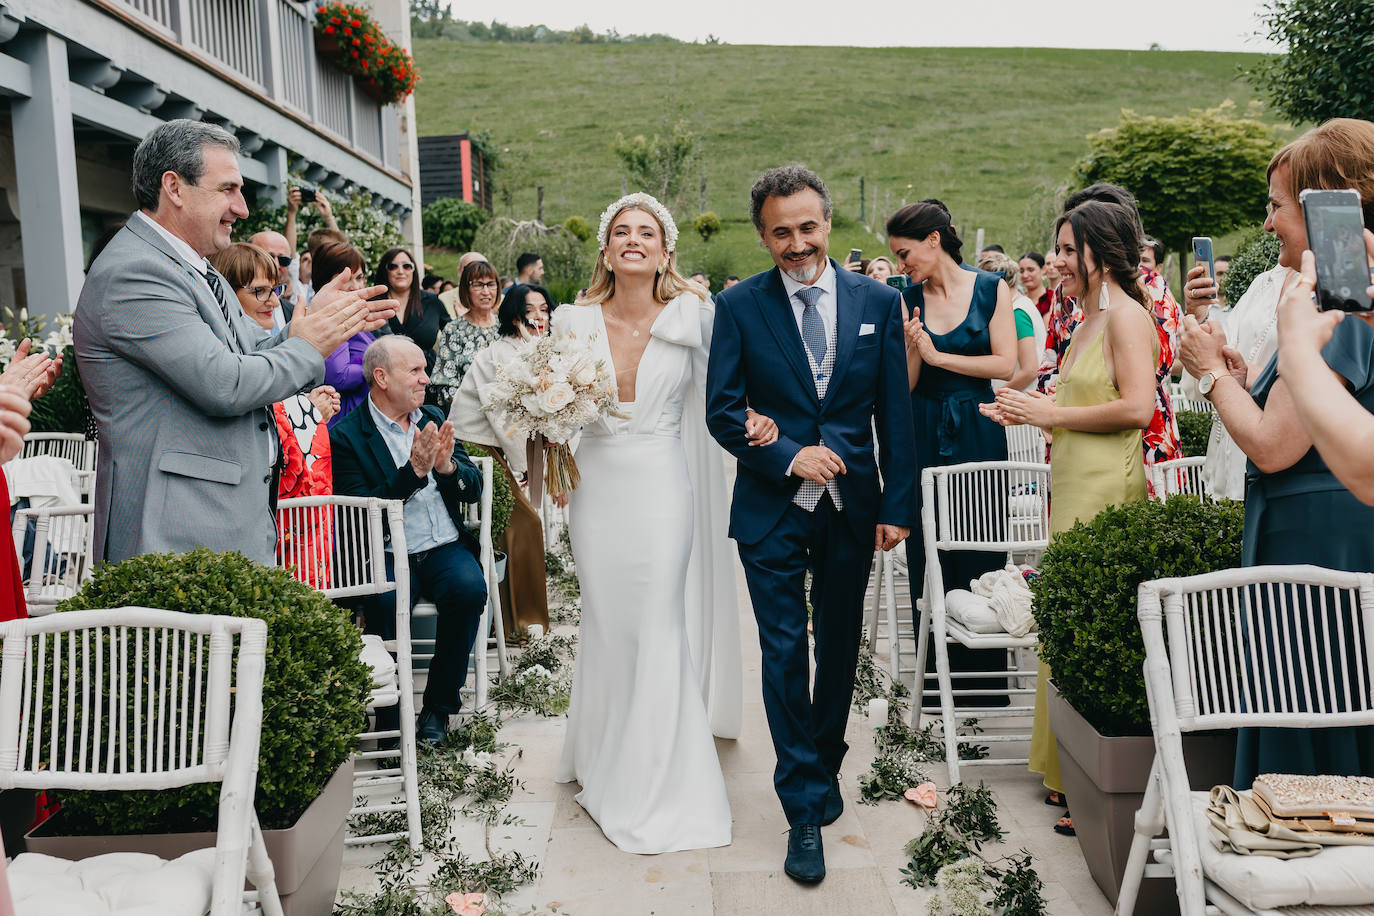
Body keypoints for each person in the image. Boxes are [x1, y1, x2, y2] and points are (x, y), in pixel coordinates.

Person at [707, 167, 915, 884]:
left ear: (827, 224)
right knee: (784, 652)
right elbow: (722, 410)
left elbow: (895, 412)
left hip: (853, 508)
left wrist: (897, 505)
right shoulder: (737, 307)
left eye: (807, 227)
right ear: (763, 235)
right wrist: (789, 454)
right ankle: (801, 805)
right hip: (769, 513)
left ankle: (823, 763)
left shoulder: (879, 302)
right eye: (780, 231)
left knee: (840, 646)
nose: (796, 243)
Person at [553, 192, 771, 856]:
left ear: (664, 248)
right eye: (621, 230)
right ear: (606, 247)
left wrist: (760, 421)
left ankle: (658, 781)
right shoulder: (572, 319)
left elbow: (731, 390)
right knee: (610, 622)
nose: (633, 240)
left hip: (661, 486)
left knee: (655, 622)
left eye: (646, 231)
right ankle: (604, 751)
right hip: (596, 489)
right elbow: (550, 407)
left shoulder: (695, 316)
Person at [74, 119, 392, 566]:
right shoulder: (136, 274)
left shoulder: (198, 268)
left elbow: (249, 359)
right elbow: (224, 383)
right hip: (175, 527)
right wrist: (307, 344)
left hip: (220, 518)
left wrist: (312, 327)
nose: (241, 208)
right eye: (228, 189)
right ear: (175, 187)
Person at [1178, 118, 1374, 788]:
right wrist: (1237, 379)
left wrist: (1208, 376)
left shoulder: (1338, 306)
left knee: (1318, 708)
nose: (1267, 225)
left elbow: (1274, 445)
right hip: (1309, 534)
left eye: (1277, 206)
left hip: (1323, 549)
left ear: (1330, 207)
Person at [982, 199, 1159, 836]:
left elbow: (1138, 407)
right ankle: (1066, 772)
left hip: (1107, 485)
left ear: (1099, 254)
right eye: (1055, 250)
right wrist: (1027, 406)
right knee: (1068, 621)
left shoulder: (1128, 318)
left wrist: (1050, 415)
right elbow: (1086, 394)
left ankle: (1093, 778)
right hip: (1072, 481)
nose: (1054, 262)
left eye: (1064, 250)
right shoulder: (1088, 318)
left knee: (1092, 621)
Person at [888, 201, 1016, 710]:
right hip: (924, 424)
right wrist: (914, 349)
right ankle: (936, 685)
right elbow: (908, 382)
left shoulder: (990, 288)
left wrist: (943, 355)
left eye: (905, 252)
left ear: (934, 240)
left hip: (979, 424)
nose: (901, 264)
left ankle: (984, 688)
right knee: (929, 547)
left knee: (982, 541)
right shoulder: (905, 298)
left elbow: (1005, 362)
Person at [331, 335, 487, 743]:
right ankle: (389, 717)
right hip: (385, 550)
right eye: (415, 370)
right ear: (381, 377)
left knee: (469, 590)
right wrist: (413, 473)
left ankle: (437, 708)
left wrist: (449, 467)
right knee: (382, 603)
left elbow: (473, 488)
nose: (425, 378)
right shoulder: (347, 437)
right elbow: (360, 513)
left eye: (424, 369)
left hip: (443, 546)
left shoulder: (432, 415)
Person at [1035, 183, 1183, 485]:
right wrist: (1049, 405)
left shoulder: (1149, 287)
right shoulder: (1063, 294)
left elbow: (1157, 364)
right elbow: (1051, 361)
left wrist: (1063, 410)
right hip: (1072, 434)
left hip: (1140, 436)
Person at [211, 242, 339, 587]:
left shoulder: (262, 338)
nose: (271, 300)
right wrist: (309, 409)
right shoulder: (218, 348)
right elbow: (250, 400)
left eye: (275, 289)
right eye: (260, 291)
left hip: (290, 507)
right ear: (225, 292)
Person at [449, 283, 554, 635]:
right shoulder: (502, 354)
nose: (540, 317)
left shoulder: (537, 350)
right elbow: (504, 420)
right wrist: (524, 467)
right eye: (531, 310)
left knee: (521, 523)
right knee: (525, 523)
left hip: (501, 447)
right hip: (475, 448)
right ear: (514, 315)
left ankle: (517, 622)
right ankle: (520, 623)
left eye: (544, 309)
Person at [317, 241, 377, 427]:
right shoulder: (328, 315)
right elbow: (339, 375)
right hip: (340, 421)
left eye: (359, 278)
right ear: (325, 281)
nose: (354, 286)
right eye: (346, 279)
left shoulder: (355, 314)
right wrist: (378, 367)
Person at [372, 246, 449, 379]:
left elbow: (452, 335)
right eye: (393, 266)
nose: (400, 271)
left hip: (427, 377)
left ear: (414, 270)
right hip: (387, 378)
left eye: (407, 266)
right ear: (385, 271)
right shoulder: (374, 304)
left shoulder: (431, 301)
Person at [432, 259, 502, 398]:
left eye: (491, 284)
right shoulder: (454, 330)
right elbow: (445, 383)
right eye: (478, 285)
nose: (486, 291)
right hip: (468, 412)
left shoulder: (505, 327)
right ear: (466, 289)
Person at [980, 250, 1045, 391]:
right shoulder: (1022, 304)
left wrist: (996, 396)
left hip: (1018, 399)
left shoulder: (1017, 313)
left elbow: (1030, 370)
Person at [246, 230, 296, 326]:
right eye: (268, 257)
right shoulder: (230, 311)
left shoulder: (293, 313)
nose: (276, 265)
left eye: (284, 260)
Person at [1019, 251, 1054, 318]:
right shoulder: (1018, 299)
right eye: (1021, 271)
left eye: (1031, 270)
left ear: (1043, 270)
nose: (1025, 275)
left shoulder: (1052, 299)